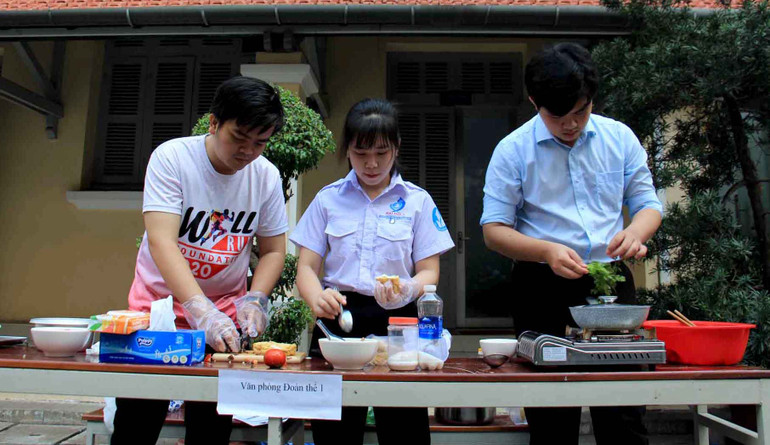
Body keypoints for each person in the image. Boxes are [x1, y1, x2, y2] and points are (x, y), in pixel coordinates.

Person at [481, 43, 663, 445]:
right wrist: (545, 251)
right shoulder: (513, 150)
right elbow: (494, 230)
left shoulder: (619, 138)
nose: (571, 124)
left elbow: (648, 205)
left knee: (623, 416)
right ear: (534, 102)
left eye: (581, 111)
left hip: (610, 283)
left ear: (592, 99)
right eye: (557, 116)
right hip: (541, 285)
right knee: (551, 420)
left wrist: (635, 234)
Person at [111, 76, 288, 445]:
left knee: (211, 429)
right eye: (239, 137)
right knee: (137, 424)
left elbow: (272, 250)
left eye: (260, 142)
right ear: (213, 123)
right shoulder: (172, 158)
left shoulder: (267, 177)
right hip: (157, 316)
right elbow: (162, 241)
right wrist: (198, 308)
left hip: (223, 322)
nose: (248, 151)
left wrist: (255, 299)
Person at [290, 98, 455, 445]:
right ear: (347, 149)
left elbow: (429, 272)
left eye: (381, 152)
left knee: (403, 431)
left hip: (399, 325)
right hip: (340, 321)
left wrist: (408, 290)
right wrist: (316, 296)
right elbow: (306, 267)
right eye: (361, 152)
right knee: (335, 434)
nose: (372, 163)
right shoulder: (327, 199)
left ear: (395, 148)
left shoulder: (417, 201)